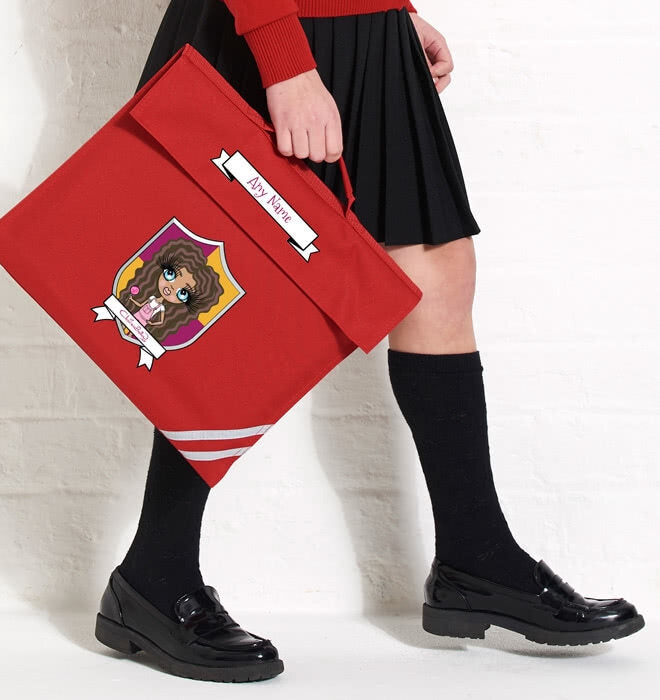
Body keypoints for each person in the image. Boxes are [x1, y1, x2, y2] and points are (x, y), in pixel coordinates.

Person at [93, 0, 645, 683]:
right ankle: (156, 572)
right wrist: (282, 57)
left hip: (365, 33)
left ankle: (476, 559)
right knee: (229, 294)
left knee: (436, 273)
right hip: (268, 30)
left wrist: (391, 9)